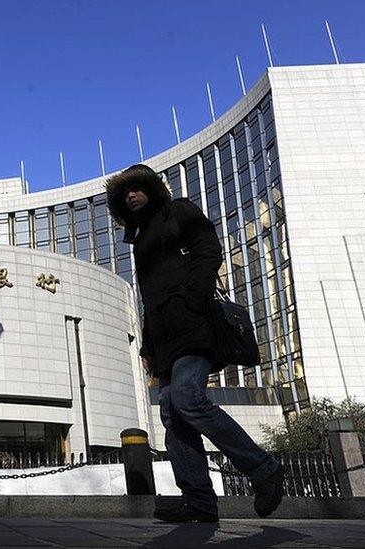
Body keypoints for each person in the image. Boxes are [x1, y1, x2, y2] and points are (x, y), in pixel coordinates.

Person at [105, 164, 284, 523]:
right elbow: (149, 297)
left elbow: (208, 251)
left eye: (137, 188)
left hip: (193, 323)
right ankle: (199, 502)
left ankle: (263, 468)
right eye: (125, 194)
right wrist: (147, 347)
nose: (131, 196)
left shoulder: (180, 211)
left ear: (152, 189)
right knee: (172, 414)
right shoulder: (139, 240)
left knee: (187, 397)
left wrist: (195, 298)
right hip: (164, 337)